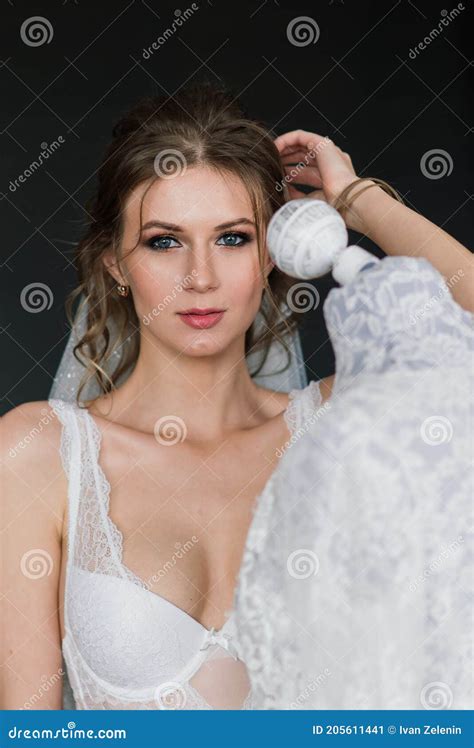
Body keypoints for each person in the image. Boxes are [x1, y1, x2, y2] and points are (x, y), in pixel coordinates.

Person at [2, 80, 472, 710]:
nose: (200, 277)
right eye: (164, 242)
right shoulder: (36, 454)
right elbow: (28, 727)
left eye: (233, 238)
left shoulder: (345, 426)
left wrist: (358, 203)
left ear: (273, 254)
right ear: (115, 263)